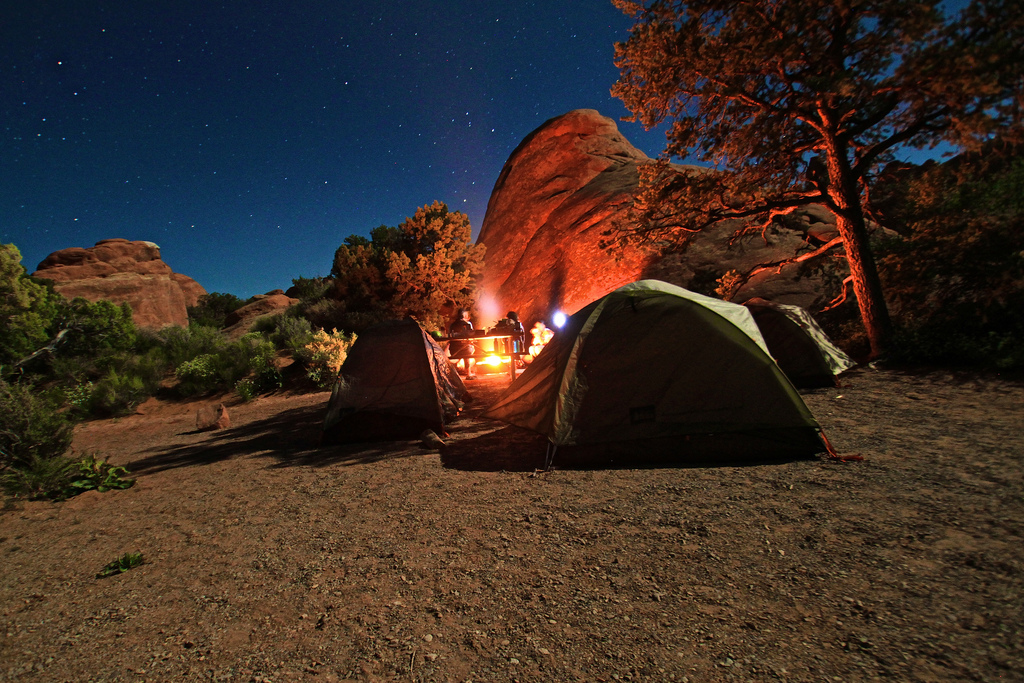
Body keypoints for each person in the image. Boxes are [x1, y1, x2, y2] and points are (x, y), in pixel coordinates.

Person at [448, 307, 477, 379]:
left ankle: (457, 368)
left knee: (465, 349)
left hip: (453, 350)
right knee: (469, 349)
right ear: (464, 315)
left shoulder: (452, 325)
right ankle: (468, 373)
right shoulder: (467, 324)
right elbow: (471, 335)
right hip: (464, 350)